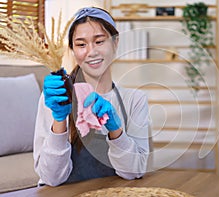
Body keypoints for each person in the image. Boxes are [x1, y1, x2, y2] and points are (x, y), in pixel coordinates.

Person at [33, 7, 150, 186]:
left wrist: (115, 130)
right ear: (73, 50)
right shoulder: (55, 99)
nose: (91, 51)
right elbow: (51, 179)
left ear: (115, 43)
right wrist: (59, 121)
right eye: (81, 44)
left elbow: (134, 172)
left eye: (99, 41)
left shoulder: (134, 100)